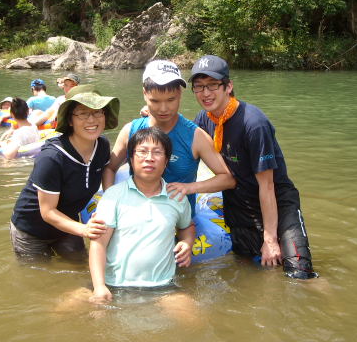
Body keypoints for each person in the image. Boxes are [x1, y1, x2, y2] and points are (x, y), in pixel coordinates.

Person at [189, 55, 318, 279]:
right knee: (249, 272)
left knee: (300, 275)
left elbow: (267, 186)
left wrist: (270, 239)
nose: (205, 93)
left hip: (277, 203)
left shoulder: (253, 124)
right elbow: (182, 139)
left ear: (228, 86)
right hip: (240, 207)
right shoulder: (204, 119)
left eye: (212, 85)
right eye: (199, 86)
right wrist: (155, 118)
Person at [102, 60, 234, 217]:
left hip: (179, 220)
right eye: (155, 101)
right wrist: (110, 202)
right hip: (137, 216)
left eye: (171, 100)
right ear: (145, 94)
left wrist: (189, 188)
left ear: (180, 93)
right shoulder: (130, 130)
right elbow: (110, 168)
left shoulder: (196, 136)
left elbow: (227, 179)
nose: (163, 109)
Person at [10, 85, 119, 258]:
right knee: (38, 273)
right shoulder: (52, 158)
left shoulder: (102, 146)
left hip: (68, 222)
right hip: (31, 230)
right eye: (83, 113)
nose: (92, 120)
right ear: (69, 120)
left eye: (97, 112)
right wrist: (84, 229)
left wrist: (110, 199)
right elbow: (48, 212)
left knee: (80, 266)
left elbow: (106, 169)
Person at [89, 127, 195, 303]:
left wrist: (187, 242)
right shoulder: (113, 196)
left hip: (163, 287)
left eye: (157, 152)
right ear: (131, 159)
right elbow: (98, 244)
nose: (149, 158)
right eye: (142, 152)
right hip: (115, 285)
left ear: (166, 161)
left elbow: (187, 226)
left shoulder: (177, 197)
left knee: (192, 315)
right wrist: (99, 286)